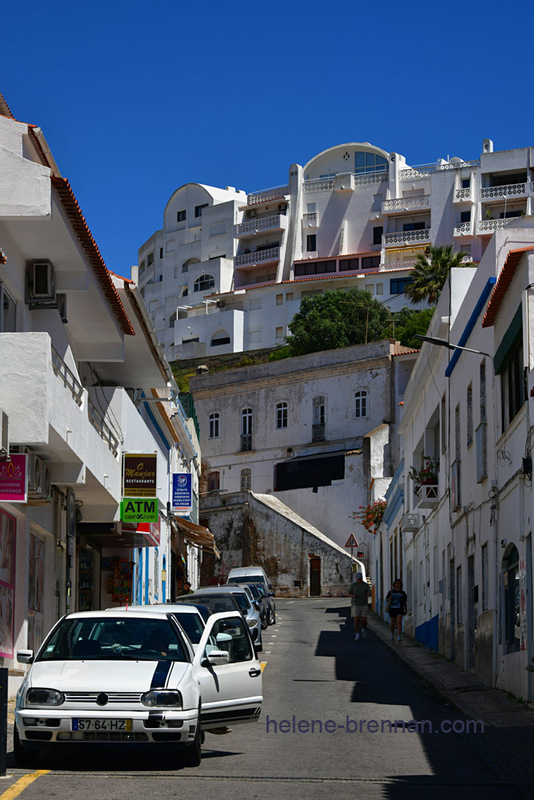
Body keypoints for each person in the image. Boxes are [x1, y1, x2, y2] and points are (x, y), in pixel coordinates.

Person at [348, 572, 372, 640]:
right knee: (356, 620)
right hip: (355, 604)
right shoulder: (353, 585)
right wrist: (353, 596)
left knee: (364, 620)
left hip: (364, 604)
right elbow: (348, 593)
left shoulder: (365, 585)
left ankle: (363, 629)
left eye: (360, 579)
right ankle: (357, 634)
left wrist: (367, 595)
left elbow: (370, 593)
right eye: (358, 579)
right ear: (356, 579)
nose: (359, 580)